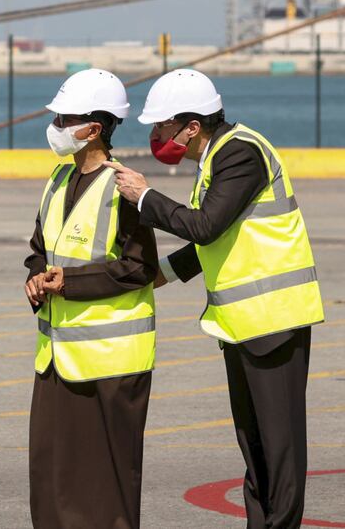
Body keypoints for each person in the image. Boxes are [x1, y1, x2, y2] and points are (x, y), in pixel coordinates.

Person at [108, 68, 324, 529]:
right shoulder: (216, 158)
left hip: (273, 321)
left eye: (163, 127)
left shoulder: (241, 153)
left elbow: (205, 225)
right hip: (242, 323)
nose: (156, 136)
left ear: (191, 127)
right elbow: (216, 240)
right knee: (254, 445)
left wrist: (145, 196)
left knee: (279, 449)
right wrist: (160, 274)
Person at [24, 69, 158, 529]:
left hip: (111, 363)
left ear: (94, 129)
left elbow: (139, 268)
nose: (57, 126)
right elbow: (40, 250)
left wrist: (70, 283)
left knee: (106, 491)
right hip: (57, 359)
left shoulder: (124, 187)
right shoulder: (57, 180)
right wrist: (36, 278)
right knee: (51, 479)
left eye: (65, 118)